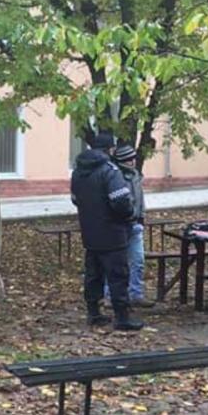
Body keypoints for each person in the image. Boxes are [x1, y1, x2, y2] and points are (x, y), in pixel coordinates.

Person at [71, 131, 144, 331]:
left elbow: (75, 200)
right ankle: (122, 318)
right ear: (110, 149)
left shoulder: (77, 172)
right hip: (113, 233)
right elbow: (121, 201)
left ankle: (93, 313)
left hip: (90, 232)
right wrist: (129, 215)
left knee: (93, 275)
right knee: (118, 276)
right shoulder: (110, 171)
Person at [104, 145, 153, 307]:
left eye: (133, 158)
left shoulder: (136, 175)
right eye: (128, 159)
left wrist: (142, 216)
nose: (132, 162)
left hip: (135, 225)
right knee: (116, 263)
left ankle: (136, 294)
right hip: (120, 226)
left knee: (138, 261)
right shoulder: (115, 177)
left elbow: (140, 198)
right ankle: (109, 295)